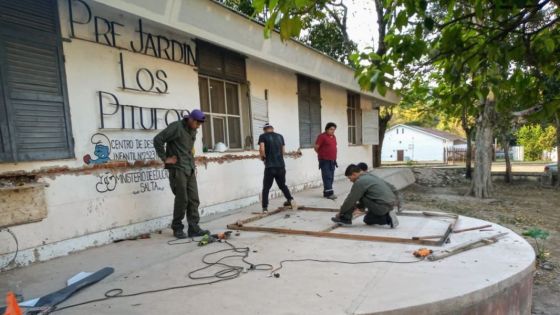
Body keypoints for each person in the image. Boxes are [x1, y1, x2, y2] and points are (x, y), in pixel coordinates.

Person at [154, 109, 210, 239]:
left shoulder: (193, 129)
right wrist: (165, 158)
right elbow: (158, 139)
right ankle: (177, 228)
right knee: (182, 199)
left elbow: (188, 148)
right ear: (191, 119)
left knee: (194, 199)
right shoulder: (176, 127)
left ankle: (194, 228)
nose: (198, 126)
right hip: (177, 169)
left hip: (189, 168)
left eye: (200, 124)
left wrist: (192, 162)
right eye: (197, 123)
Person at [332, 164, 400, 228]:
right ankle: (387, 216)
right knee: (367, 219)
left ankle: (346, 219)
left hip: (381, 207)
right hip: (388, 205)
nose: (350, 180)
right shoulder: (370, 176)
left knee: (355, 196)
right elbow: (391, 187)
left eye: (350, 178)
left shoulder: (360, 182)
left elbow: (350, 200)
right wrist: (359, 208)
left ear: (354, 174)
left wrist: (341, 212)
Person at [258, 123, 296, 212]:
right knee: (282, 185)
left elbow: (262, 149)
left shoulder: (263, 136)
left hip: (270, 166)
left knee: (266, 187)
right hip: (281, 166)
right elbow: (283, 151)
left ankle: (265, 208)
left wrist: (263, 158)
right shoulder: (280, 136)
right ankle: (290, 200)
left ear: (264, 129)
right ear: (272, 129)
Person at [315, 122, 338, 199]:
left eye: (334, 129)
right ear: (327, 129)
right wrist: (321, 154)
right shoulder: (322, 136)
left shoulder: (333, 137)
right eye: (331, 129)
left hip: (332, 160)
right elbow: (316, 147)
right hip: (324, 160)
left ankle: (326, 192)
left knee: (331, 177)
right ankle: (330, 194)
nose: (333, 131)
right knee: (327, 176)